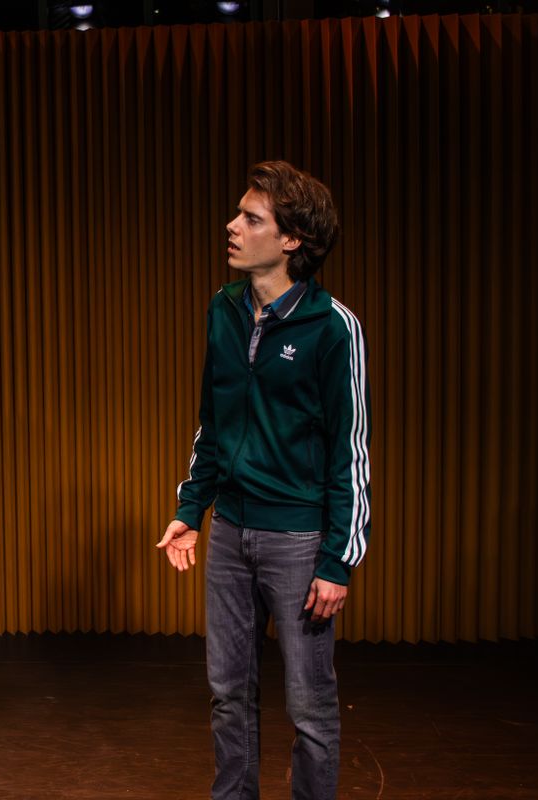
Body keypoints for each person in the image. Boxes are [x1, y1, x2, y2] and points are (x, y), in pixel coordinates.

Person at [157, 161, 369, 800]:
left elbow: (350, 453)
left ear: (291, 238)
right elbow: (213, 423)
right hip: (230, 533)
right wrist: (191, 511)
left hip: (298, 543)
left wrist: (337, 561)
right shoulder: (223, 309)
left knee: (310, 709)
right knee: (228, 695)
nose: (232, 225)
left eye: (251, 218)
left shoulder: (333, 327)